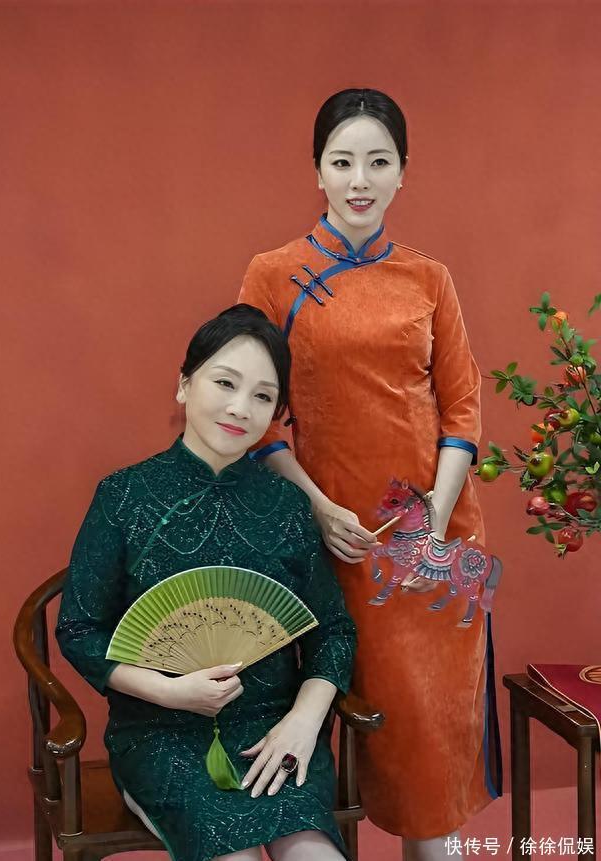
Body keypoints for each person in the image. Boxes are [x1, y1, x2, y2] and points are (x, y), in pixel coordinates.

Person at [238, 88, 502, 859]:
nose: (360, 180)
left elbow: (463, 407)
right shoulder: (273, 274)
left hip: (432, 538)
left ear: (403, 171)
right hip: (327, 536)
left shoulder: (429, 278)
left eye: (378, 162)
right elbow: (255, 414)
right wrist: (319, 508)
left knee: (429, 741)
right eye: (343, 161)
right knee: (329, 723)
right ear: (317, 170)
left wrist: (435, 518)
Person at [56, 304, 357, 861]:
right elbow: (79, 629)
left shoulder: (288, 506)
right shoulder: (125, 495)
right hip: (160, 734)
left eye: (263, 396)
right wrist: (169, 691)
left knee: (316, 856)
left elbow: (333, 632)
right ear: (184, 385)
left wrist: (304, 721)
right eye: (225, 383)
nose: (241, 407)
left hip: (275, 729)